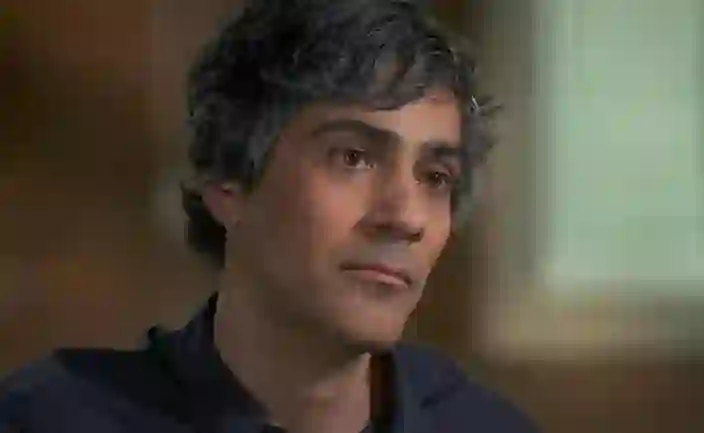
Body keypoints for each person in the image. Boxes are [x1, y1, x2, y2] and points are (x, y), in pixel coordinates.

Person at [0, 0, 537, 432]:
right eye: (353, 157)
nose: (405, 217)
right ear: (228, 184)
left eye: (435, 177)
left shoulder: (484, 427)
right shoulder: (48, 419)